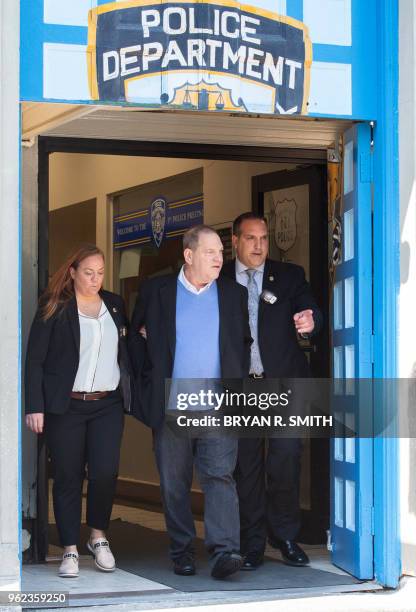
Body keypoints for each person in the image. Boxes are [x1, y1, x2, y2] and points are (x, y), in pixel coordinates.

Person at [129, 225, 252, 579]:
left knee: (220, 477)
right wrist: (150, 383)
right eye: (211, 251)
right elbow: (136, 340)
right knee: (174, 482)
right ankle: (182, 550)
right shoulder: (157, 291)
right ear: (189, 255)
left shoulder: (232, 293)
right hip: (172, 405)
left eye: (220, 252)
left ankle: (224, 552)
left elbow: (241, 342)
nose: (219, 258)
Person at [221, 212, 323, 570]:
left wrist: (309, 321)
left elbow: (310, 310)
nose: (259, 246)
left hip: (282, 384)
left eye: (263, 238)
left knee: (285, 462)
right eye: (251, 238)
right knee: (245, 468)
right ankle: (251, 544)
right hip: (240, 386)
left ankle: (285, 537)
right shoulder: (217, 279)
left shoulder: (290, 276)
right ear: (234, 241)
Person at [25, 244, 134, 578]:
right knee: (69, 476)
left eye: (101, 273)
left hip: (107, 405)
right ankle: (70, 548)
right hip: (66, 406)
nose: (95, 279)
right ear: (72, 272)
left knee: (104, 472)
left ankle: (98, 536)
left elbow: (127, 350)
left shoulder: (114, 305)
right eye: (88, 273)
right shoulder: (55, 305)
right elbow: (35, 360)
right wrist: (35, 406)